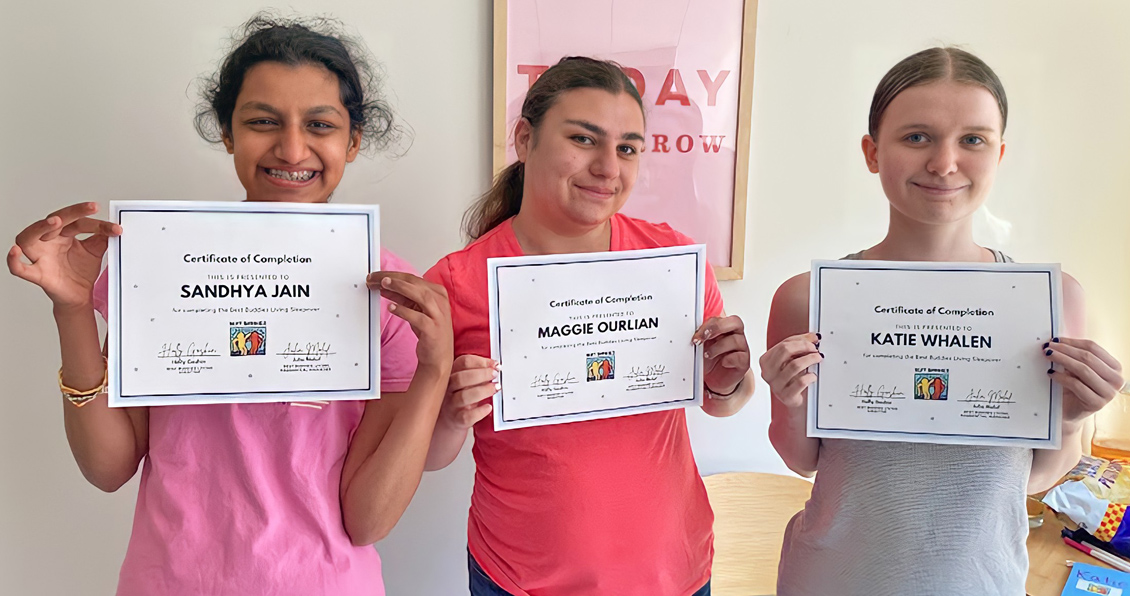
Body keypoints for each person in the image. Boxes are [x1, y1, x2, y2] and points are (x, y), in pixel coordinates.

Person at [6, 14, 452, 596]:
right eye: (263, 121)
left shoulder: (393, 295)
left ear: (353, 140)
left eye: (319, 124)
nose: (292, 147)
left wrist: (434, 370)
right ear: (227, 132)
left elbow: (367, 519)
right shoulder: (164, 264)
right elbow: (108, 467)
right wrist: (71, 310)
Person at [759, 47, 1126, 595]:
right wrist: (790, 400)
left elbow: (1038, 477)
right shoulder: (807, 298)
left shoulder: (1051, 300)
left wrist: (1069, 419)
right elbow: (802, 462)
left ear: (999, 154)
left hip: (980, 582)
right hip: (830, 579)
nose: (944, 163)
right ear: (872, 151)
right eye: (916, 137)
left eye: (972, 140)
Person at [423, 56, 755, 596]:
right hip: (521, 580)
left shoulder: (669, 259)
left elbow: (722, 402)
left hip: (675, 573)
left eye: (627, 148)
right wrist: (453, 415)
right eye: (584, 139)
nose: (608, 166)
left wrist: (728, 377)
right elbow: (432, 457)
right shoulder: (455, 283)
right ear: (525, 139)